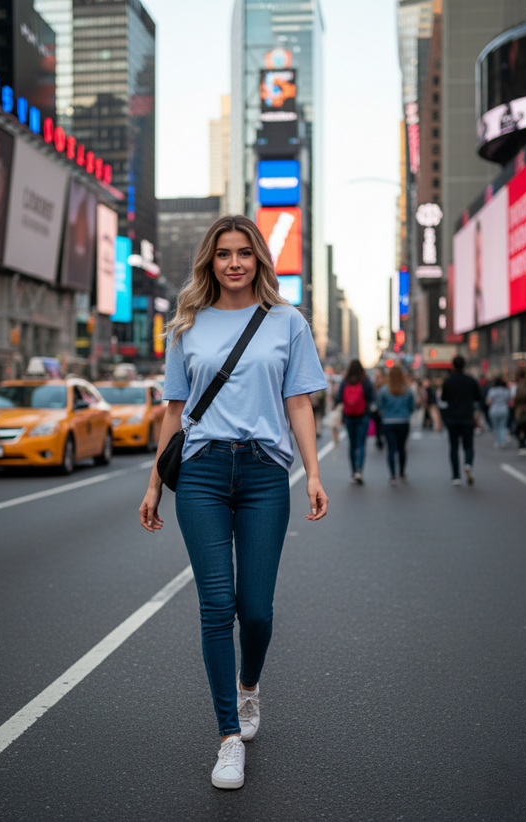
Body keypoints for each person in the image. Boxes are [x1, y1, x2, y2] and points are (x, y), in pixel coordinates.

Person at [139, 215, 328, 791]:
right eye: (224, 254)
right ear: (210, 261)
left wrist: (314, 474)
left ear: (260, 259)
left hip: (265, 473)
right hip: (200, 470)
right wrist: (153, 484)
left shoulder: (287, 321)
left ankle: (249, 688)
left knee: (258, 611)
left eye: (245, 253)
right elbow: (174, 409)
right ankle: (227, 737)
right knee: (216, 604)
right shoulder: (186, 325)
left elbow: (298, 403)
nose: (235, 263)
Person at [441, 356, 482, 485]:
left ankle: (456, 476)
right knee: (468, 445)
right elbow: (478, 397)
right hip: (467, 417)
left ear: (453, 366)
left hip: (452, 417)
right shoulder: (470, 381)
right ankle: (468, 464)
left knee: (453, 447)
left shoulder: (448, 381)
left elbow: (443, 398)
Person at [336, 359, 375, 484]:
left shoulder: (345, 381)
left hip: (349, 416)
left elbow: (339, 398)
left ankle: (353, 472)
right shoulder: (365, 381)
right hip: (363, 415)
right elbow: (372, 397)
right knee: (361, 443)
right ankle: (359, 470)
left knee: (352, 444)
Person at [378, 365, 415, 484]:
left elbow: (380, 406)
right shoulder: (407, 390)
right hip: (403, 421)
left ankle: (393, 475)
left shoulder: (384, 389)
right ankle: (402, 472)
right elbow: (412, 406)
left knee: (391, 448)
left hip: (388, 421)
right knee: (402, 447)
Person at [486, 377, 510, 448]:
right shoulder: (505, 390)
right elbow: (509, 400)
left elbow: (488, 402)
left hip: (494, 410)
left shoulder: (492, 390)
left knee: (496, 427)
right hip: (504, 410)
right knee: (502, 426)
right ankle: (503, 441)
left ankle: (498, 442)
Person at [513, 369, 526, 454]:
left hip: (523, 410)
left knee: (520, 427)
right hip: (525, 409)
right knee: (525, 427)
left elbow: (517, 398)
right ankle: (524, 442)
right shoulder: (525, 385)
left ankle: (523, 442)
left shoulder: (522, 386)